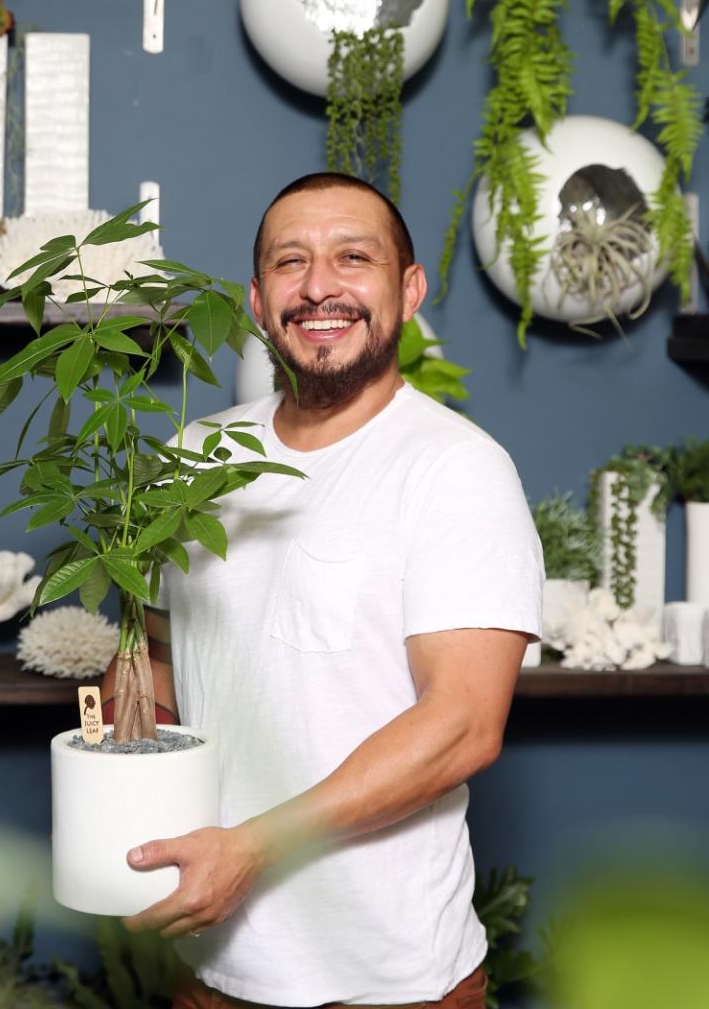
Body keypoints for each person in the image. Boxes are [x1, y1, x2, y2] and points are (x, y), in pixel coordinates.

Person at [100, 172, 544, 1009]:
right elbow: (160, 663)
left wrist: (254, 850)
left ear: (408, 290)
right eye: (289, 263)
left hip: (387, 979)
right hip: (212, 962)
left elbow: (462, 727)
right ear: (258, 301)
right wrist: (118, 790)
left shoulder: (456, 469)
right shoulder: (197, 456)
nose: (319, 288)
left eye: (353, 258)